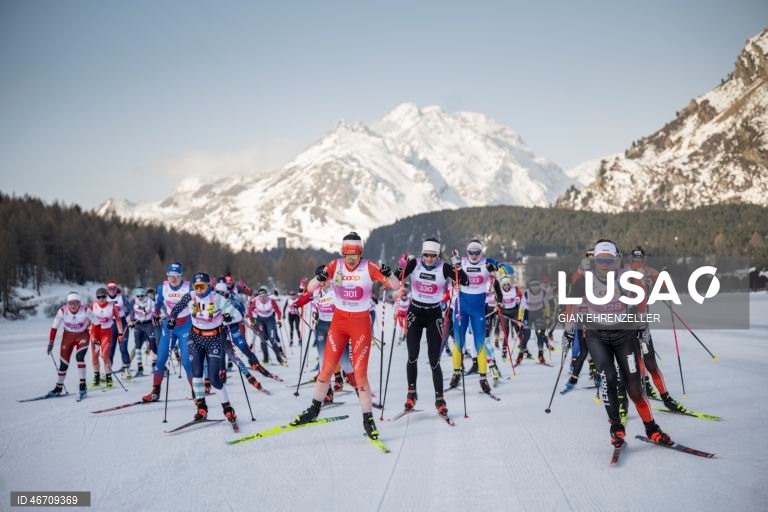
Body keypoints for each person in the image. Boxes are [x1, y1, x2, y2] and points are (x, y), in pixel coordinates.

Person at [562, 239, 672, 447]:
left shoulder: (626, 276)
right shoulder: (585, 279)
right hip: (597, 336)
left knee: (635, 390)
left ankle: (652, 429)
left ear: (616, 260)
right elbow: (571, 301)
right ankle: (616, 428)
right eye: (601, 260)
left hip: (624, 335)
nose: (604, 264)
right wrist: (568, 331)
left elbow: (641, 295)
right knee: (608, 377)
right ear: (595, 259)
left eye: (609, 260)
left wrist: (642, 323)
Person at [290, 232, 398, 440]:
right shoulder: (335, 265)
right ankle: (313, 410)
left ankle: (368, 419)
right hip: (338, 323)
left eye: (355, 254)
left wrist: (390, 273)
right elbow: (310, 288)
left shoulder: (369, 266)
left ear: (360, 253)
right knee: (327, 369)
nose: (351, 259)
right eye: (348, 254)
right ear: (342, 252)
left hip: (360, 324)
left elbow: (394, 286)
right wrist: (318, 278)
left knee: (360, 375)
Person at [397, 238, 467, 416]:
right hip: (415, 313)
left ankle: (440, 399)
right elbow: (397, 277)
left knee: (434, 360)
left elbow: (464, 281)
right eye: (426, 255)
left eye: (432, 256)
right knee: (412, 356)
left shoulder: (443, 267)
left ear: (438, 255)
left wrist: (457, 267)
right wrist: (401, 265)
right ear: (422, 253)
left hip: (434, 314)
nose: (429, 259)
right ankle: (411, 393)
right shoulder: (415, 264)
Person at [167, 272, 243, 423]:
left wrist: (228, 317)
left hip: (214, 339)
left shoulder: (217, 299)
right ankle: (201, 409)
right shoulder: (190, 296)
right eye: (196, 286)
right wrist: (172, 320)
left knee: (214, 378)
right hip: (195, 338)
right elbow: (176, 309)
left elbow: (238, 316)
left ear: (209, 285)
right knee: (196, 374)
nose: (199, 290)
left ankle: (228, 409)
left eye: (202, 286)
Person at [627, 246, 685, 412]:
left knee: (651, 363)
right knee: (633, 363)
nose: (638, 263)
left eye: (641, 260)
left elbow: (668, 285)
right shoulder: (623, 272)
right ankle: (639, 389)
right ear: (630, 260)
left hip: (643, 323)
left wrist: (665, 276)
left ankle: (666, 397)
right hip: (626, 324)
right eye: (635, 260)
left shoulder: (648, 270)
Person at [449, 239, 500, 395]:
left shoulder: (485, 263)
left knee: (480, 343)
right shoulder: (461, 262)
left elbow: (507, 271)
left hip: (478, 310)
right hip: (461, 308)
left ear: (481, 252)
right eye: (471, 252)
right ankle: (457, 373)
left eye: (477, 252)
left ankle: (483, 378)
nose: (473, 255)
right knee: (459, 342)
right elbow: (451, 278)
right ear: (467, 252)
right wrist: (454, 279)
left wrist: (496, 266)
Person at [142, 262, 194, 402]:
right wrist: (155, 313)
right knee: (160, 359)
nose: (173, 279)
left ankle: (196, 393)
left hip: (186, 326)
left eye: (176, 276)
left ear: (181, 276)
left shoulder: (188, 287)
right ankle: (155, 392)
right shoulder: (162, 288)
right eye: (170, 276)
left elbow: (198, 302)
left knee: (187, 362)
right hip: (170, 326)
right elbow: (158, 304)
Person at [46, 292, 98, 399]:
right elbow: (54, 327)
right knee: (63, 364)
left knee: (79, 357)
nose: (73, 305)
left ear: (80, 303)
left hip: (82, 336)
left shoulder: (85, 310)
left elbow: (97, 323)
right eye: (70, 303)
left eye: (76, 303)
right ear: (67, 303)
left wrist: (96, 338)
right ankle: (58, 387)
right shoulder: (62, 311)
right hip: (67, 337)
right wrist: (51, 342)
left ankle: (82, 386)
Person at [89, 288, 124, 388]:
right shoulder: (93, 306)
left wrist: (120, 334)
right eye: (99, 297)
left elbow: (118, 321)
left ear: (106, 296)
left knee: (105, 355)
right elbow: (87, 318)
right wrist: (86, 327)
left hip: (106, 332)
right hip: (95, 333)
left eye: (103, 296)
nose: (101, 299)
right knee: (94, 356)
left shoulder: (112, 307)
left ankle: (109, 378)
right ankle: (97, 377)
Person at [247, 287, 287, 365]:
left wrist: (279, 320)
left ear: (266, 295)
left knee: (272, 339)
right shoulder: (256, 301)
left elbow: (278, 311)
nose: (263, 298)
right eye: (261, 296)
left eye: (264, 296)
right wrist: (252, 321)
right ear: (258, 296)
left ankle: (279, 359)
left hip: (270, 320)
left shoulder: (271, 301)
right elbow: (249, 311)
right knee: (263, 339)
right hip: (260, 320)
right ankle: (265, 359)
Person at [516, 279, 552, 365]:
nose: (536, 291)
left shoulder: (543, 292)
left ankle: (541, 355)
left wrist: (547, 317)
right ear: (530, 288)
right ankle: (520, 354)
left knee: (539, 334)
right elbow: (521, 307)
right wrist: (519, 319)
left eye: (537, 289)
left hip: (538, 313)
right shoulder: (526, 294)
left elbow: (547, 305)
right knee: (526, 335)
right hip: (528, 314)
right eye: (534, 289)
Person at [104, 281, 132, 379]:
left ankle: (127, 371)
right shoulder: (104, 298)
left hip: (122, 324)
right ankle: (108, 373)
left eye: (114, 289)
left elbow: (131, 309)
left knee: (123, 348)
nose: (112, 291)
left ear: (116, 289)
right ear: (107, 290)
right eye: (110, 289)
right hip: (111, 325)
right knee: (110, 350)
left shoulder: (121, 297)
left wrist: (130, 319)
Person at [127, 287, 155, 377]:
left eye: (142, 295)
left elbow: (154, 311)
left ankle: (155, 365)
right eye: (138, 296)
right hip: (139, 325)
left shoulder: (150, 301)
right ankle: (139, 368)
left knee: (152, 344)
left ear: (145, 295)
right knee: (137, 346)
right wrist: (131, 320)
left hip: (149, 324)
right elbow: (132, 311)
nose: (140, 297)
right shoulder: (134, 301)